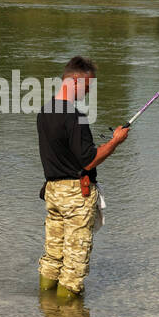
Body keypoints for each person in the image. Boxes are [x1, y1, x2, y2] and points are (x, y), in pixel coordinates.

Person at [37, 56, 129, 300]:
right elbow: (88, 160)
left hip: (53, 193)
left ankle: (46, 309)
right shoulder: (75, 116)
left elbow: (66, 152)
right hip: (76, 194)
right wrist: (115, 142)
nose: (87, 92)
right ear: (76, 81)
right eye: (87, 87)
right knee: (74, 264)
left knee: (53, 256)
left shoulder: (46, 110)